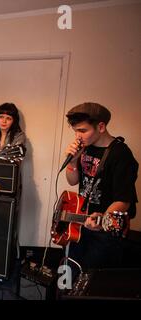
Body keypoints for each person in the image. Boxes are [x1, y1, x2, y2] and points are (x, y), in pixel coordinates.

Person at [64, 102, 138, 273]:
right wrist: (73, 161)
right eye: (75, 131)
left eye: (83, 130)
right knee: (71, 272)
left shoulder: (121, 154)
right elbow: (72, 181)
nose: (78, 136)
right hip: (82, 223)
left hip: (105, 231)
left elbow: (123, 200)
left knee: (90, 278)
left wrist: (103, 217)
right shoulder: (85, 147)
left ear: (101, 126)